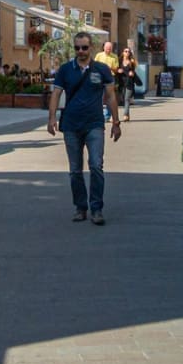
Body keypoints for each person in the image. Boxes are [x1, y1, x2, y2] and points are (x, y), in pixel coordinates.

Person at [48, 31, 120, 224]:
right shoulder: (65, 70)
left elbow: (111, 96)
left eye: (84, 47)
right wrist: (52, 117)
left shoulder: (102, 69)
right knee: (75, 170)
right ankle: (80, 207)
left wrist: (116, 122)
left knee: (96, 165)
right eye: (77, 48)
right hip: (71, 125)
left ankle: (96, 209)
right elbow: (56, 93)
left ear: (91, 48)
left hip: (94, 124)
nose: (80, 51)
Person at [114, 47, 142, 123]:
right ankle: (127, 115)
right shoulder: (119, 61)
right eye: (125, 51)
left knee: (127, 99)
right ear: (123, 52)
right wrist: (118, 71)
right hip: (121, 83)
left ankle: (125, 115)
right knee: (123, 98)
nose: (127, 52)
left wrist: (132, 73)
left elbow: (133, 71)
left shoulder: (131, 62)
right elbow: (115, 69)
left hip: (129, 82)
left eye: (128, 51)